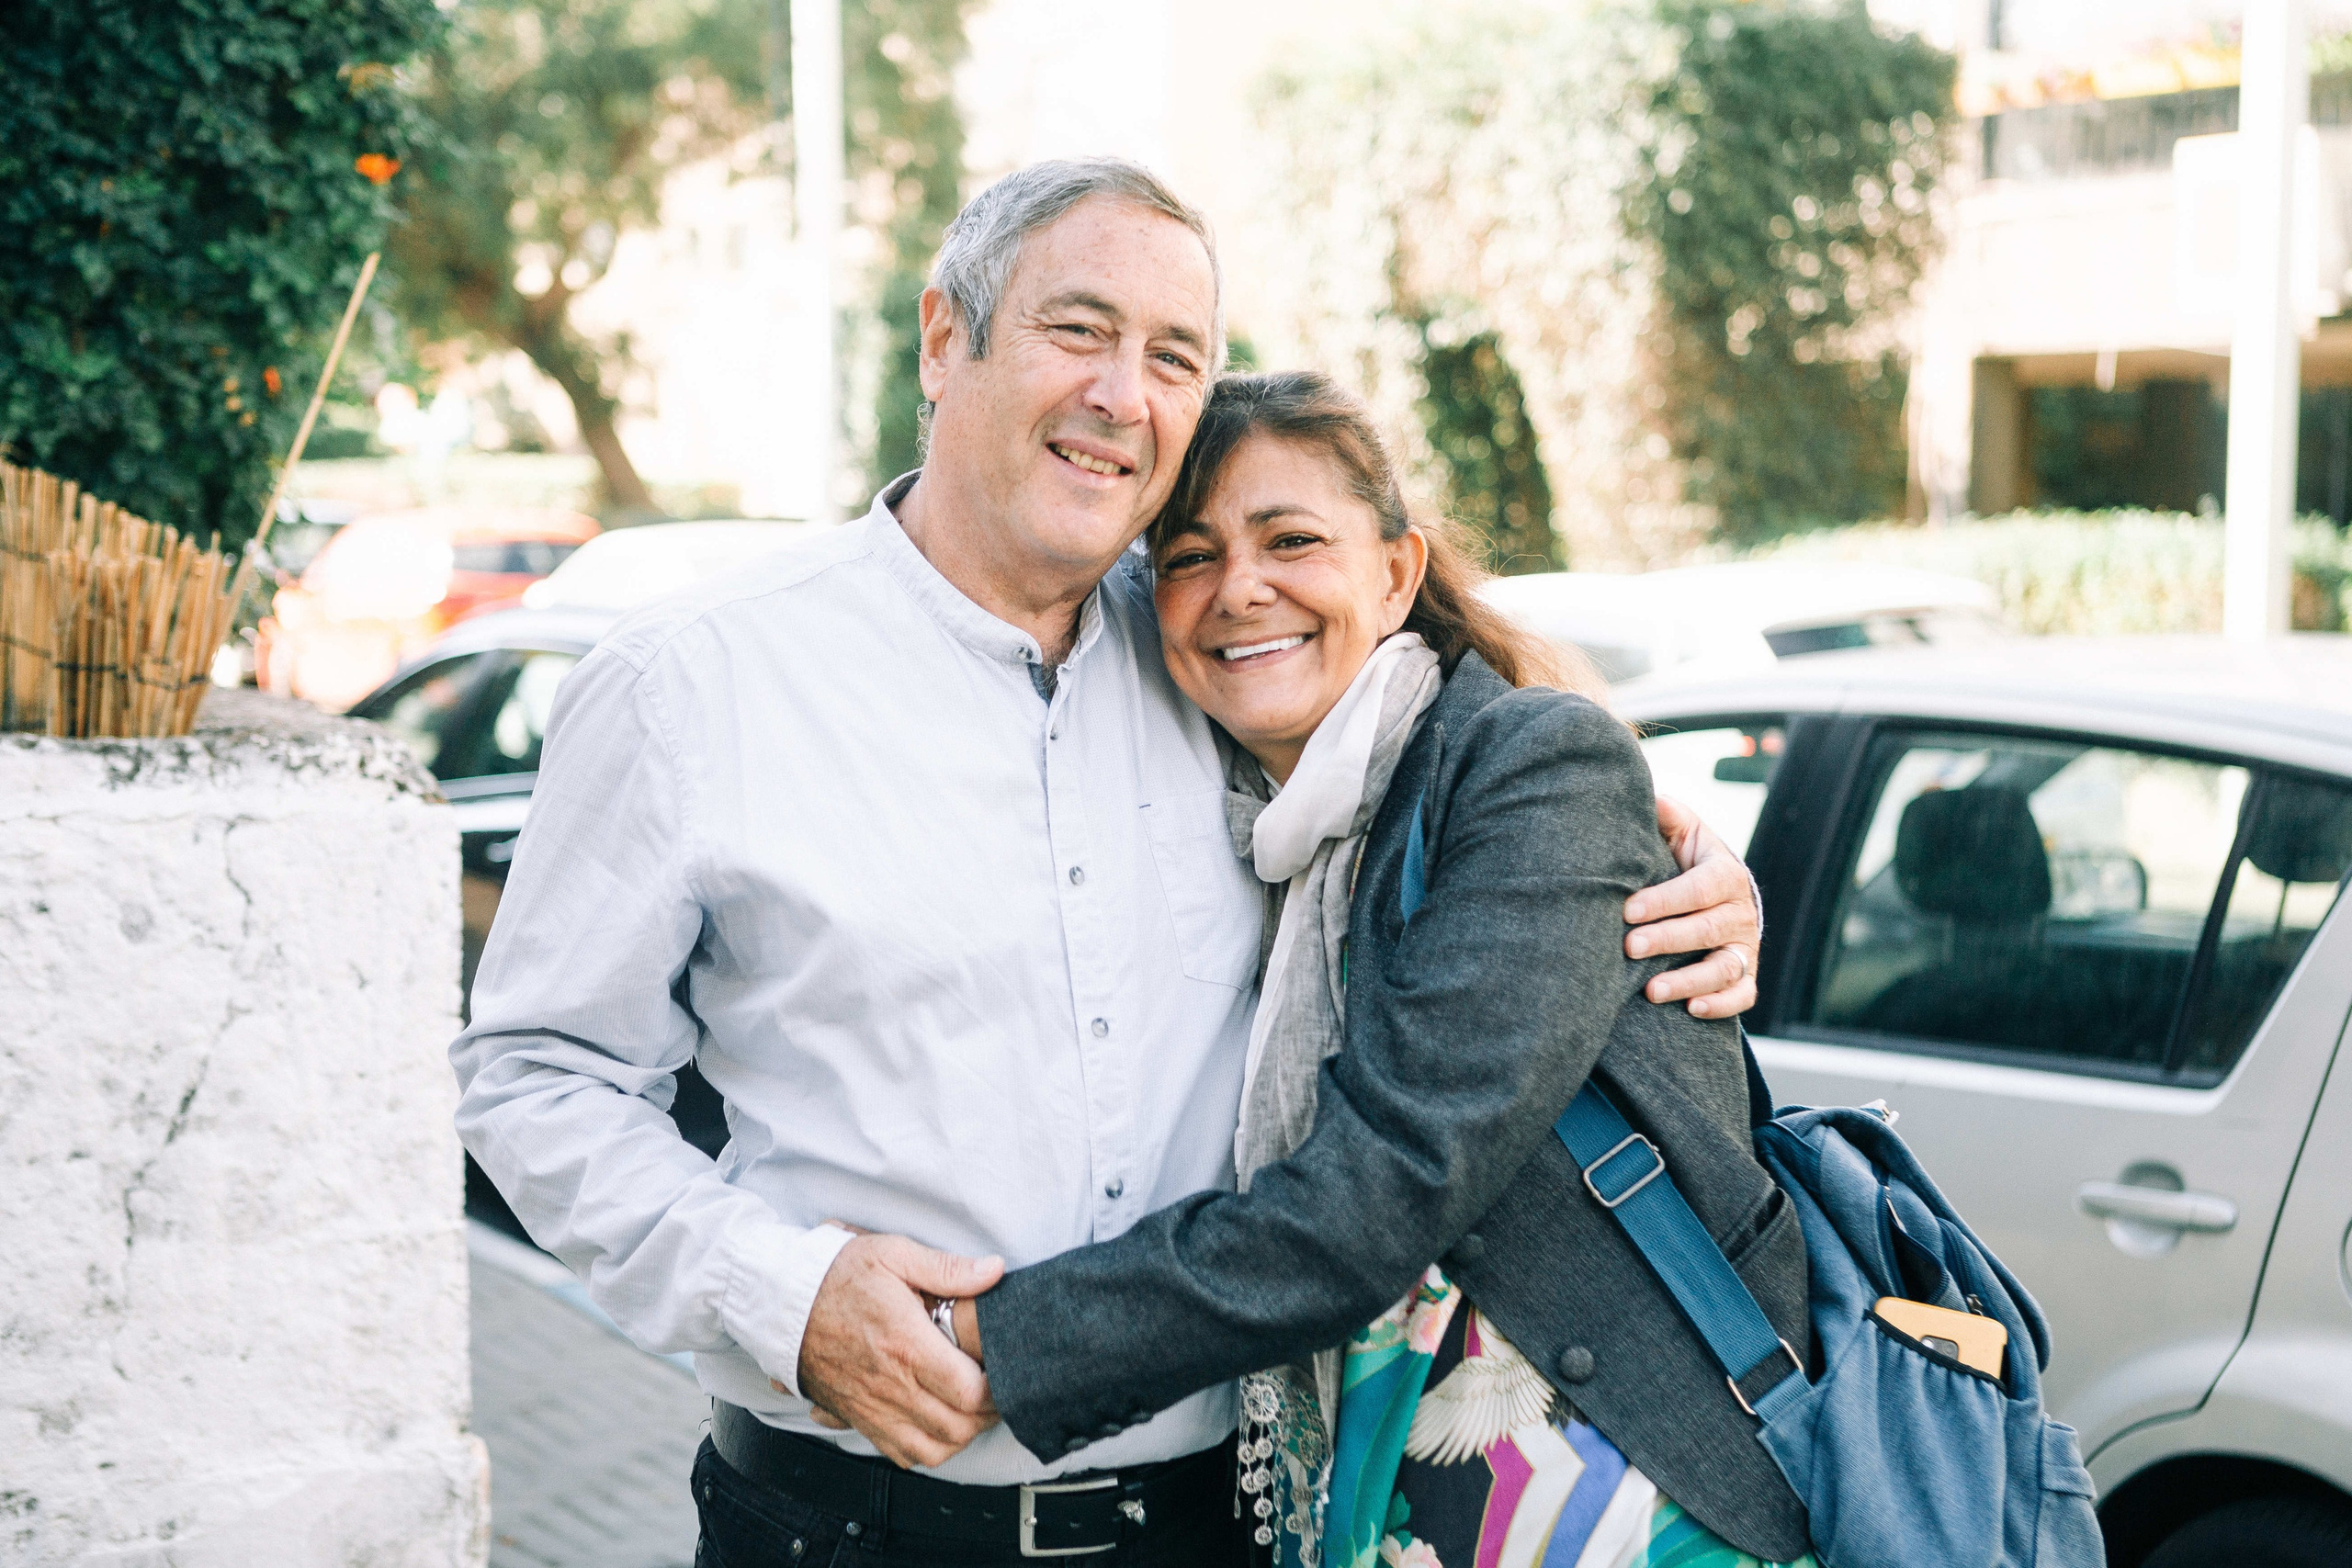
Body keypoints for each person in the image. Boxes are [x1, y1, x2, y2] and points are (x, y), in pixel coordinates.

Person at [450, 160, 1764, 1568]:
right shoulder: (692, 681)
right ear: (945, 339)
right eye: (1078, 330)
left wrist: (1685, 856)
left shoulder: (1215, 653)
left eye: (1174, 357)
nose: (1123, 395)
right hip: (846, 1524)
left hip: (1216, 1528)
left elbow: (1454, 775)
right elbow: (535, 1077)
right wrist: (782, 1294)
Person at [956, 372, 1817, 1567]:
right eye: (1190, 557)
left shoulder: (1527, 765)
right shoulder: (1247, 830)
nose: (1239, 586)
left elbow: (1389, 1184)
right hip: (1388, 1498)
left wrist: (992, 1345)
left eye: (1291, 539)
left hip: (1610, 1493)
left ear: (1397, 573)